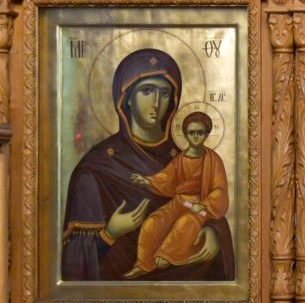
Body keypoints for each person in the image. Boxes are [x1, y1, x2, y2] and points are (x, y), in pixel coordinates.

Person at [61, 48, 234, 282]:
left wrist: (214, 234)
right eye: (147, 90)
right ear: (127, 97)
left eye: (164, 92)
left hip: (186, 288)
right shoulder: (96, 169)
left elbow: (210, 201)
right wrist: (110, 233)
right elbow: (73, 264)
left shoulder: (187, 157)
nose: (156, 102)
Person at [123, 111, 229, 278]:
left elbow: (220, 189)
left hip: (200, 205)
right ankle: (144, 264)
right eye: (191, 133)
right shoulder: (181, 158)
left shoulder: (213, 160)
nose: (196, 137)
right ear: (185, 134)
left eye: (200, 132)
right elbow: (167, 178)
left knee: (184, 223)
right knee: (152, 223)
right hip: (179, 202)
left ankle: (166, 255)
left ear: (206, 134)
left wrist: (203, 205)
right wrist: (147, 181)